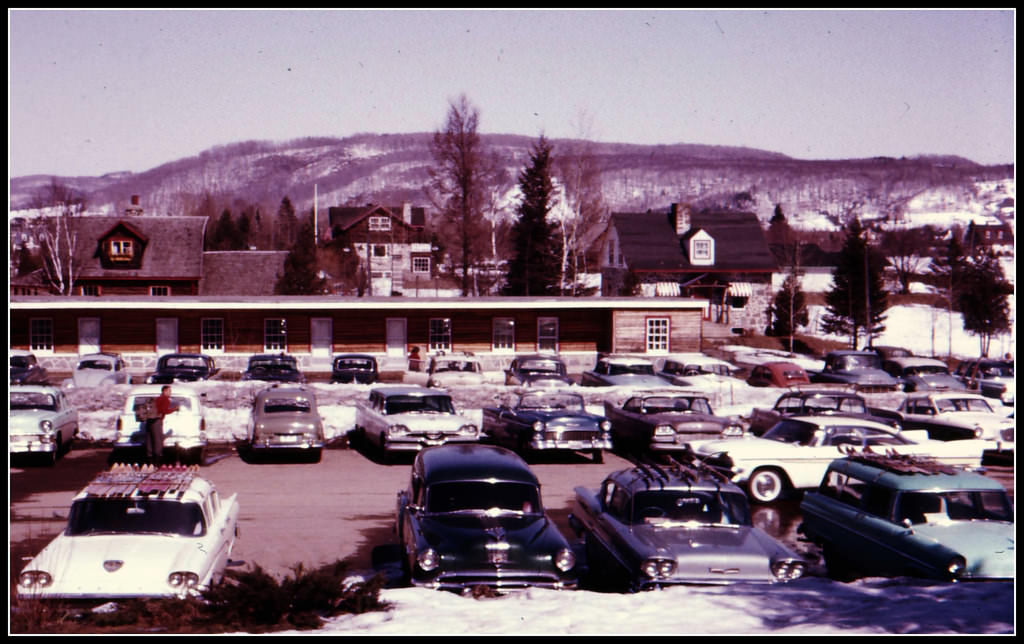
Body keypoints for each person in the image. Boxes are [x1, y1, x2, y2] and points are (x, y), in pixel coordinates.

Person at [146, 385, 179, 465]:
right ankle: (157, 461)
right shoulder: (165, 399)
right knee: (158, 441)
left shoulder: (157, 399)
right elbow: (164, 410)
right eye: (169, 391)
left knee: (150, 441)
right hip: (157, 421)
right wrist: (174, 409)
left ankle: (149, 461)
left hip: (149, 420)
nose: (170, 393)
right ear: (164, 391)